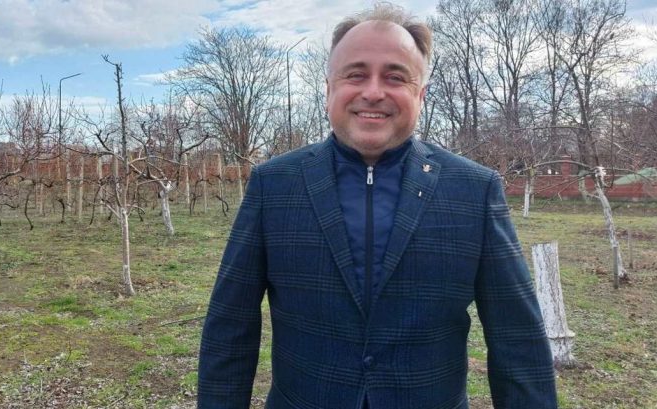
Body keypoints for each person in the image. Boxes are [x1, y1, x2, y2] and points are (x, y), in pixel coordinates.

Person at [197, 3, 558, 408]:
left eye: (395, 77)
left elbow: (517, 339)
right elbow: (230, 328)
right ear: (329, 89)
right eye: (356, 74)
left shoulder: (475, 189)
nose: (373, 91)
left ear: (420, 94)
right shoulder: (274, 184)